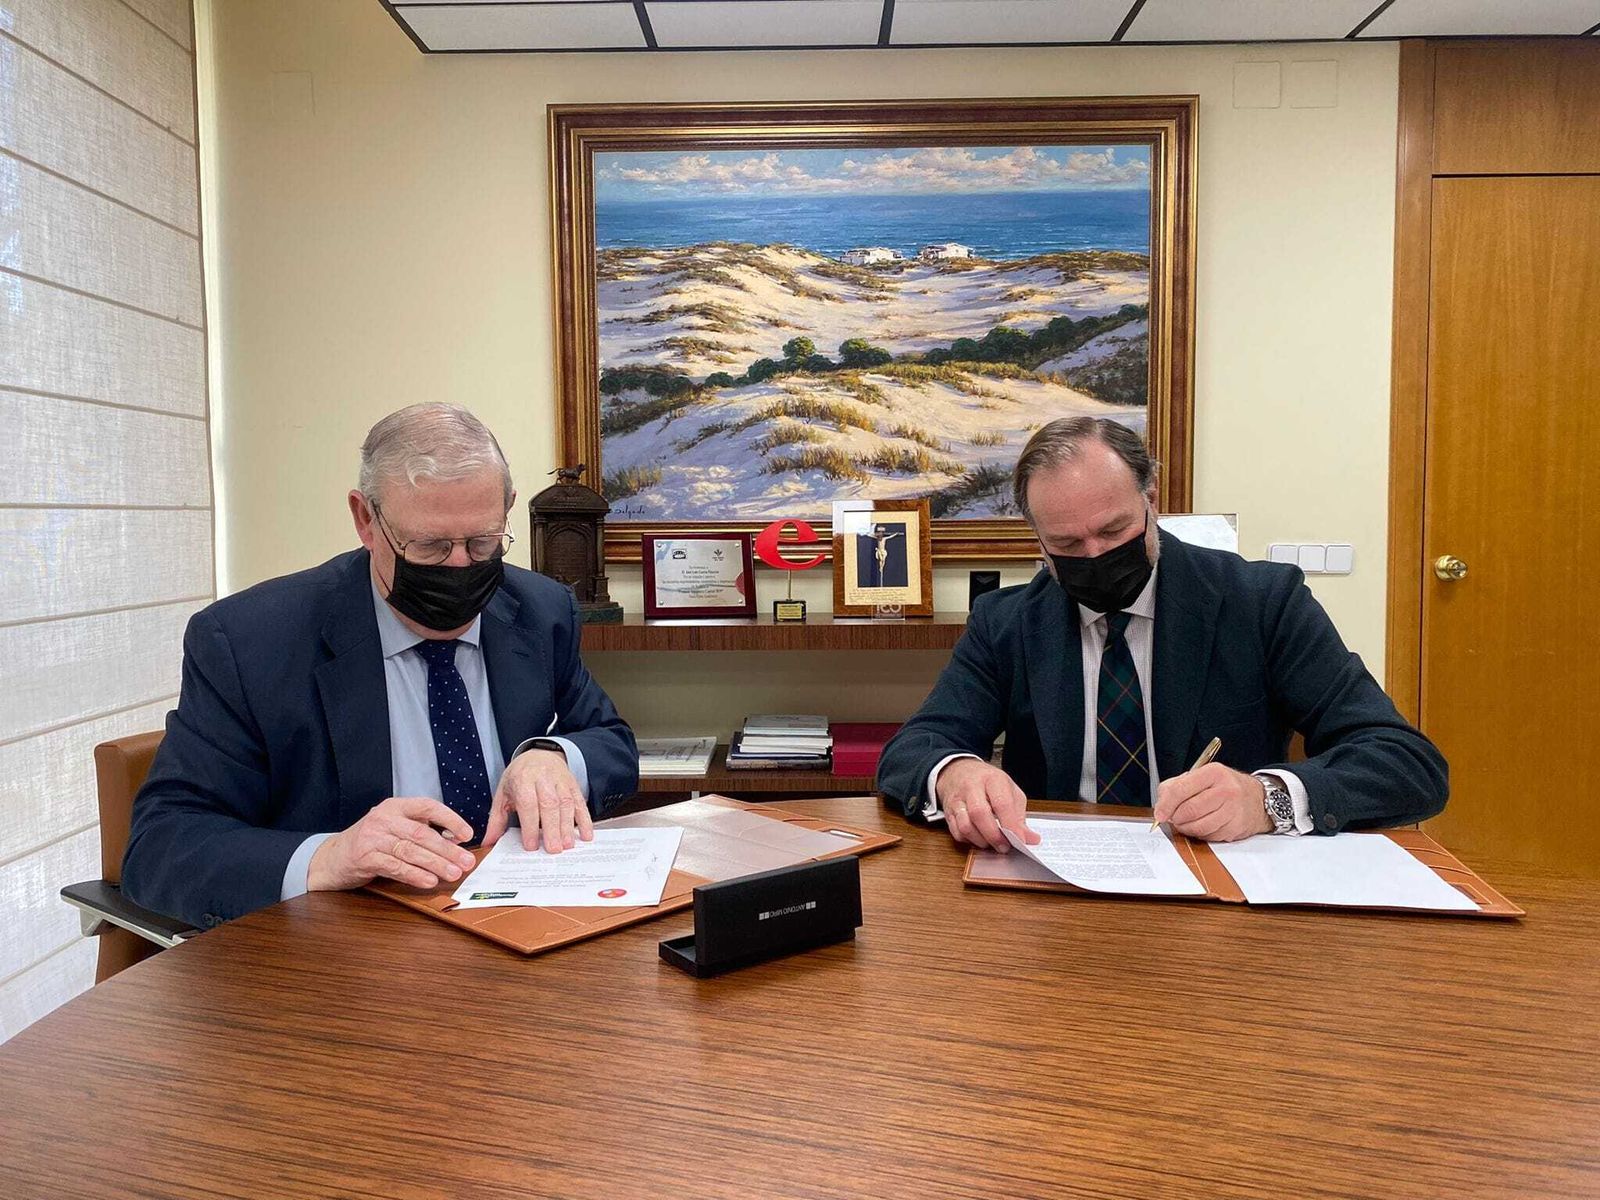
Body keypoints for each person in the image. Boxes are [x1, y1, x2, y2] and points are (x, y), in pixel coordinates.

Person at [123, 404, 638, 929]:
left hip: (518, 925)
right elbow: (163, 845)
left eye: (482, 542)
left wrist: (554, 756)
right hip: (344, 952)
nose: (460, 566)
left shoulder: (539, 609)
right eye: (431, 546)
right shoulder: (250, 641)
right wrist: (328, 857)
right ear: (366, 520)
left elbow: (610, 741)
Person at [877, 416, 1447, 851]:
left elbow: (1405, 763)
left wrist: (1266, 799)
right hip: (1058, 887)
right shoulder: (1007, 622)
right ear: (1037, 538)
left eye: (1114, 529)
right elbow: (912, 751)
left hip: (1221, 887)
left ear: (1151, 501)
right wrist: (953, 774)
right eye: (1069, 546)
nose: (1096, 556)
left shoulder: (1261, 602)